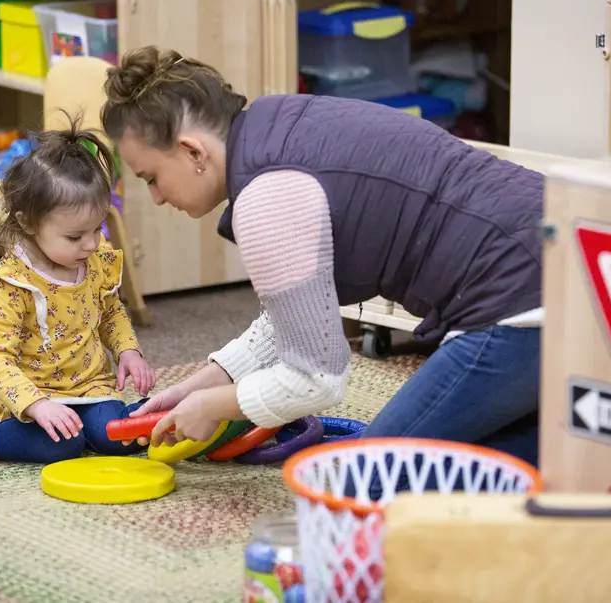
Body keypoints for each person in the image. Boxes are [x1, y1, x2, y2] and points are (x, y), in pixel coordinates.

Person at [102, 46, 543, 467]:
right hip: (573, 257)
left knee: (361, 482)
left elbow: (315, 378)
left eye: (151, 178)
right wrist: (206, 382)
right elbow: (300, 315)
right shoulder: (279, 124)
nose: (156, 198)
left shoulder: (265, 199)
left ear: (193, 151)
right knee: (505, 454)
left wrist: (215, 407)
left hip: (514, 303)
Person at [0, 121, 156, 474]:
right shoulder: (9, 285)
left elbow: (110, 310)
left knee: (116, 435)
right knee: (63, 444)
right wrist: (37, 405)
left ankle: (171, 413)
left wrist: (128, 350)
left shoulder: (94, 258)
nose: (91, 244)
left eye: (97, 228)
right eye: (75, 237)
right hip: (28, 397)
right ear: (28, 223)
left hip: (89, 387)